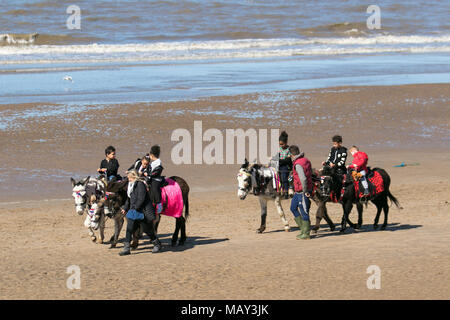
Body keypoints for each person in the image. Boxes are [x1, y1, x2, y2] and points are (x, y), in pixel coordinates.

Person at [119, 170, 161, 256]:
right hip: (133, 210)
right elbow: (129, 198)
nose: (128, 179)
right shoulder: (130, 185)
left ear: (134, 177)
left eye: (130, 178)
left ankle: (157, 244)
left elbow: (141, 199)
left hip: (142, 211)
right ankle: (126, 248)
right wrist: (126, 208)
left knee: (147, 230)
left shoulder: (140, 184)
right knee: (129, 229)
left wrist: (135, 208)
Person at [289, 145, 313, 240]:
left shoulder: (298, 164)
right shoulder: (306, 160)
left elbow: (303, 178)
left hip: (302, 191)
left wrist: (305, 190)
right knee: (293, 207)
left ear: (292, 155)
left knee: (304, 211)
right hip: (297, 191)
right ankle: (302, 229)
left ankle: (306, 233)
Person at [147, 145, 164, 214]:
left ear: (152, 155)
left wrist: (149, 175)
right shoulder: (154, 162)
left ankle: (159, 204)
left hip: (156, 179)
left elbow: (156, 172)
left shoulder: (158, 162)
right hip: (151, 177)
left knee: (154, 188)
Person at [275, 131, 292, 199]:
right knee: (279, 179)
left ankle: (286, 192)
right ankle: (281, 191)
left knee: (284, 178)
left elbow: (288, 160)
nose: (281, 146)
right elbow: (277, 157)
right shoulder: (279, 149)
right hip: (279, 165)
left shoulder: (289, 149)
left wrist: (280, 160)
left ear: (286, 143)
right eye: (280, 144)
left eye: (282, 144)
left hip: (286, 166)